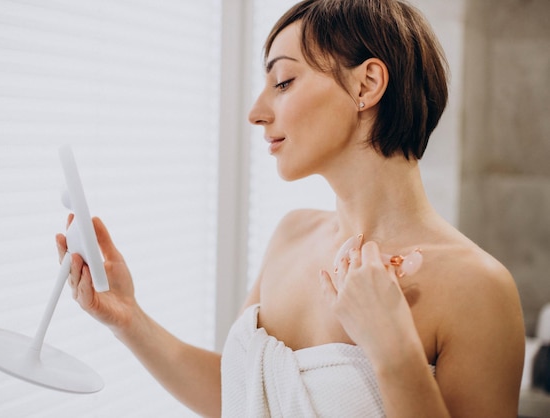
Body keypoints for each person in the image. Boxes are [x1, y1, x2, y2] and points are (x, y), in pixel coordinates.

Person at [56, 0, 525, 416]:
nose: (256, 111)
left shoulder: (478, 289)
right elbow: (239, 397)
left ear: (367, 84)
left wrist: (395, 353)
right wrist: (128, 317)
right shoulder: (291, 235)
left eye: (283, 81)